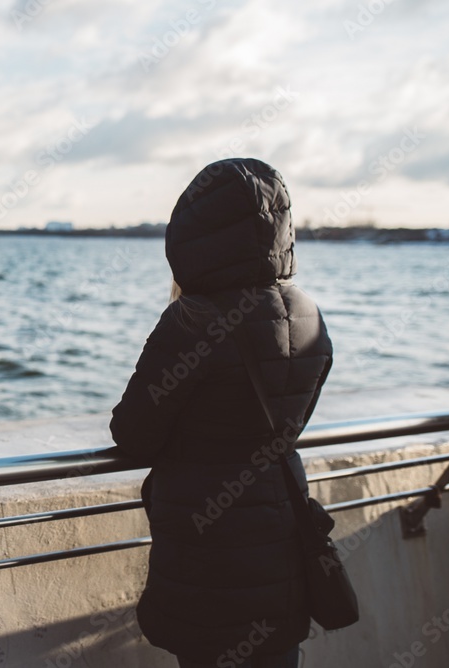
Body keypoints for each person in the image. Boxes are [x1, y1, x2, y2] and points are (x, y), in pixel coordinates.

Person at [109, 158, 333, 668]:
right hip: (280, 539)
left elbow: (133, 434)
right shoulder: (306, 313)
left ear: (192, 236)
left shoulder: (192, 320)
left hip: (209, 554)